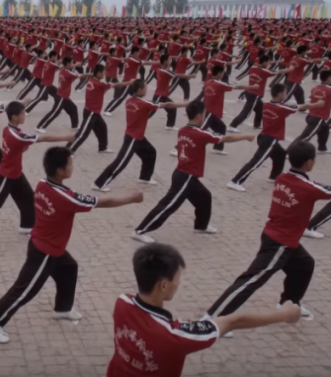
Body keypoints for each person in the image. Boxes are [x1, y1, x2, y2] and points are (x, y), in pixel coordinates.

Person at [0, 147, 143, 344]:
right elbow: (104, 201)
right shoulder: (66, 197)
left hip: (49, 245)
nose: (73, 166)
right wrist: (132, 198)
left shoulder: (41, 184)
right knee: (23, 290)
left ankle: (63, 308)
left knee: (69, 268)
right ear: (59, 170)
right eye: (70, 164)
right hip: (44, 252)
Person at [106, 243, 301, 376]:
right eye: (177, 279)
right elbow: (233, 321)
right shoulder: (175, 335)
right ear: (163, 285)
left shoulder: (121, 302)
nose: (178, 284)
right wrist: (284, 315)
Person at [204, 142, 328, 332]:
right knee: (251, 280)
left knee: (304, 264)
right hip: (280, 244)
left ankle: (288, 302)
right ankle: (212, 320)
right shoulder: (308, 187)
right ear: (309, 163)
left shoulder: (282, 178)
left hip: (276, 236)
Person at [132, 101, 255, 244]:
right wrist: (245, 136)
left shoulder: (183, 130)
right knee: (169, 205)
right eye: (204, 114)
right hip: (185, 177)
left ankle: (201, 225)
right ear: (198, 116)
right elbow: (225, 138)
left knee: (205, 197)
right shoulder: (200, 134)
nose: (205, 117)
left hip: (185, 175)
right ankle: (140, 230)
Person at [0, 101, 74, 242]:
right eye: (22, 114)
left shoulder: (9, 130)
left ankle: (27, 225)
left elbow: (21, 148)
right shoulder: (17, 135)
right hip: (6, 174)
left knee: (28, 197)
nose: (24, 116)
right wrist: (65, 137)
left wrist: (23, 147)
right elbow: (44, 138)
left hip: (16, 173)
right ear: (14, 117)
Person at [93, 79, 187, 192]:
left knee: (151, 152)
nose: (147, 90)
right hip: (132, 138)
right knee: (121, 162)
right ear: (140, 89)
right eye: (145, 88)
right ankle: (99, 184)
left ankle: (145, 177)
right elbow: (167, 104)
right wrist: (185, 104)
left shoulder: (129, 101)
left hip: (138, 137)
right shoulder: (144, 103)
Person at [227, 83, 323, 192]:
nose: (286, 94)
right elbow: (302, 106)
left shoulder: (267, 104)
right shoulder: (281, 108)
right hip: (270, 139)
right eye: (285, 92)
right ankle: (235, 181)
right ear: (280, 94)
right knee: (256, 162)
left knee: (280, 154)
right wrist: (317, 104)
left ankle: (274, 177)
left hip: (264, 136)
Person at [66, 64, 133, 154]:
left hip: (94, 112)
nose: (104, 74)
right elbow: (117, 84)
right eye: (103, 72)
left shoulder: (91, 80)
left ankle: (102, 147)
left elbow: (102, 92)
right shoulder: (99, 84)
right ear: (98, 73)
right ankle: (68, 151)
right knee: (82, 134)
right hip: (91, 113)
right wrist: (130, 83)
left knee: (102, 127)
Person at [288, 69, 331, 153]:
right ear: (328, 78)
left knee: (325, 129)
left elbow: (312, 97)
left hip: (311, 115)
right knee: (306, 136)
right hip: (318, 117)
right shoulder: (329, 90)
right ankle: (289, 151)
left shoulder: (315, 88)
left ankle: (322, 147)